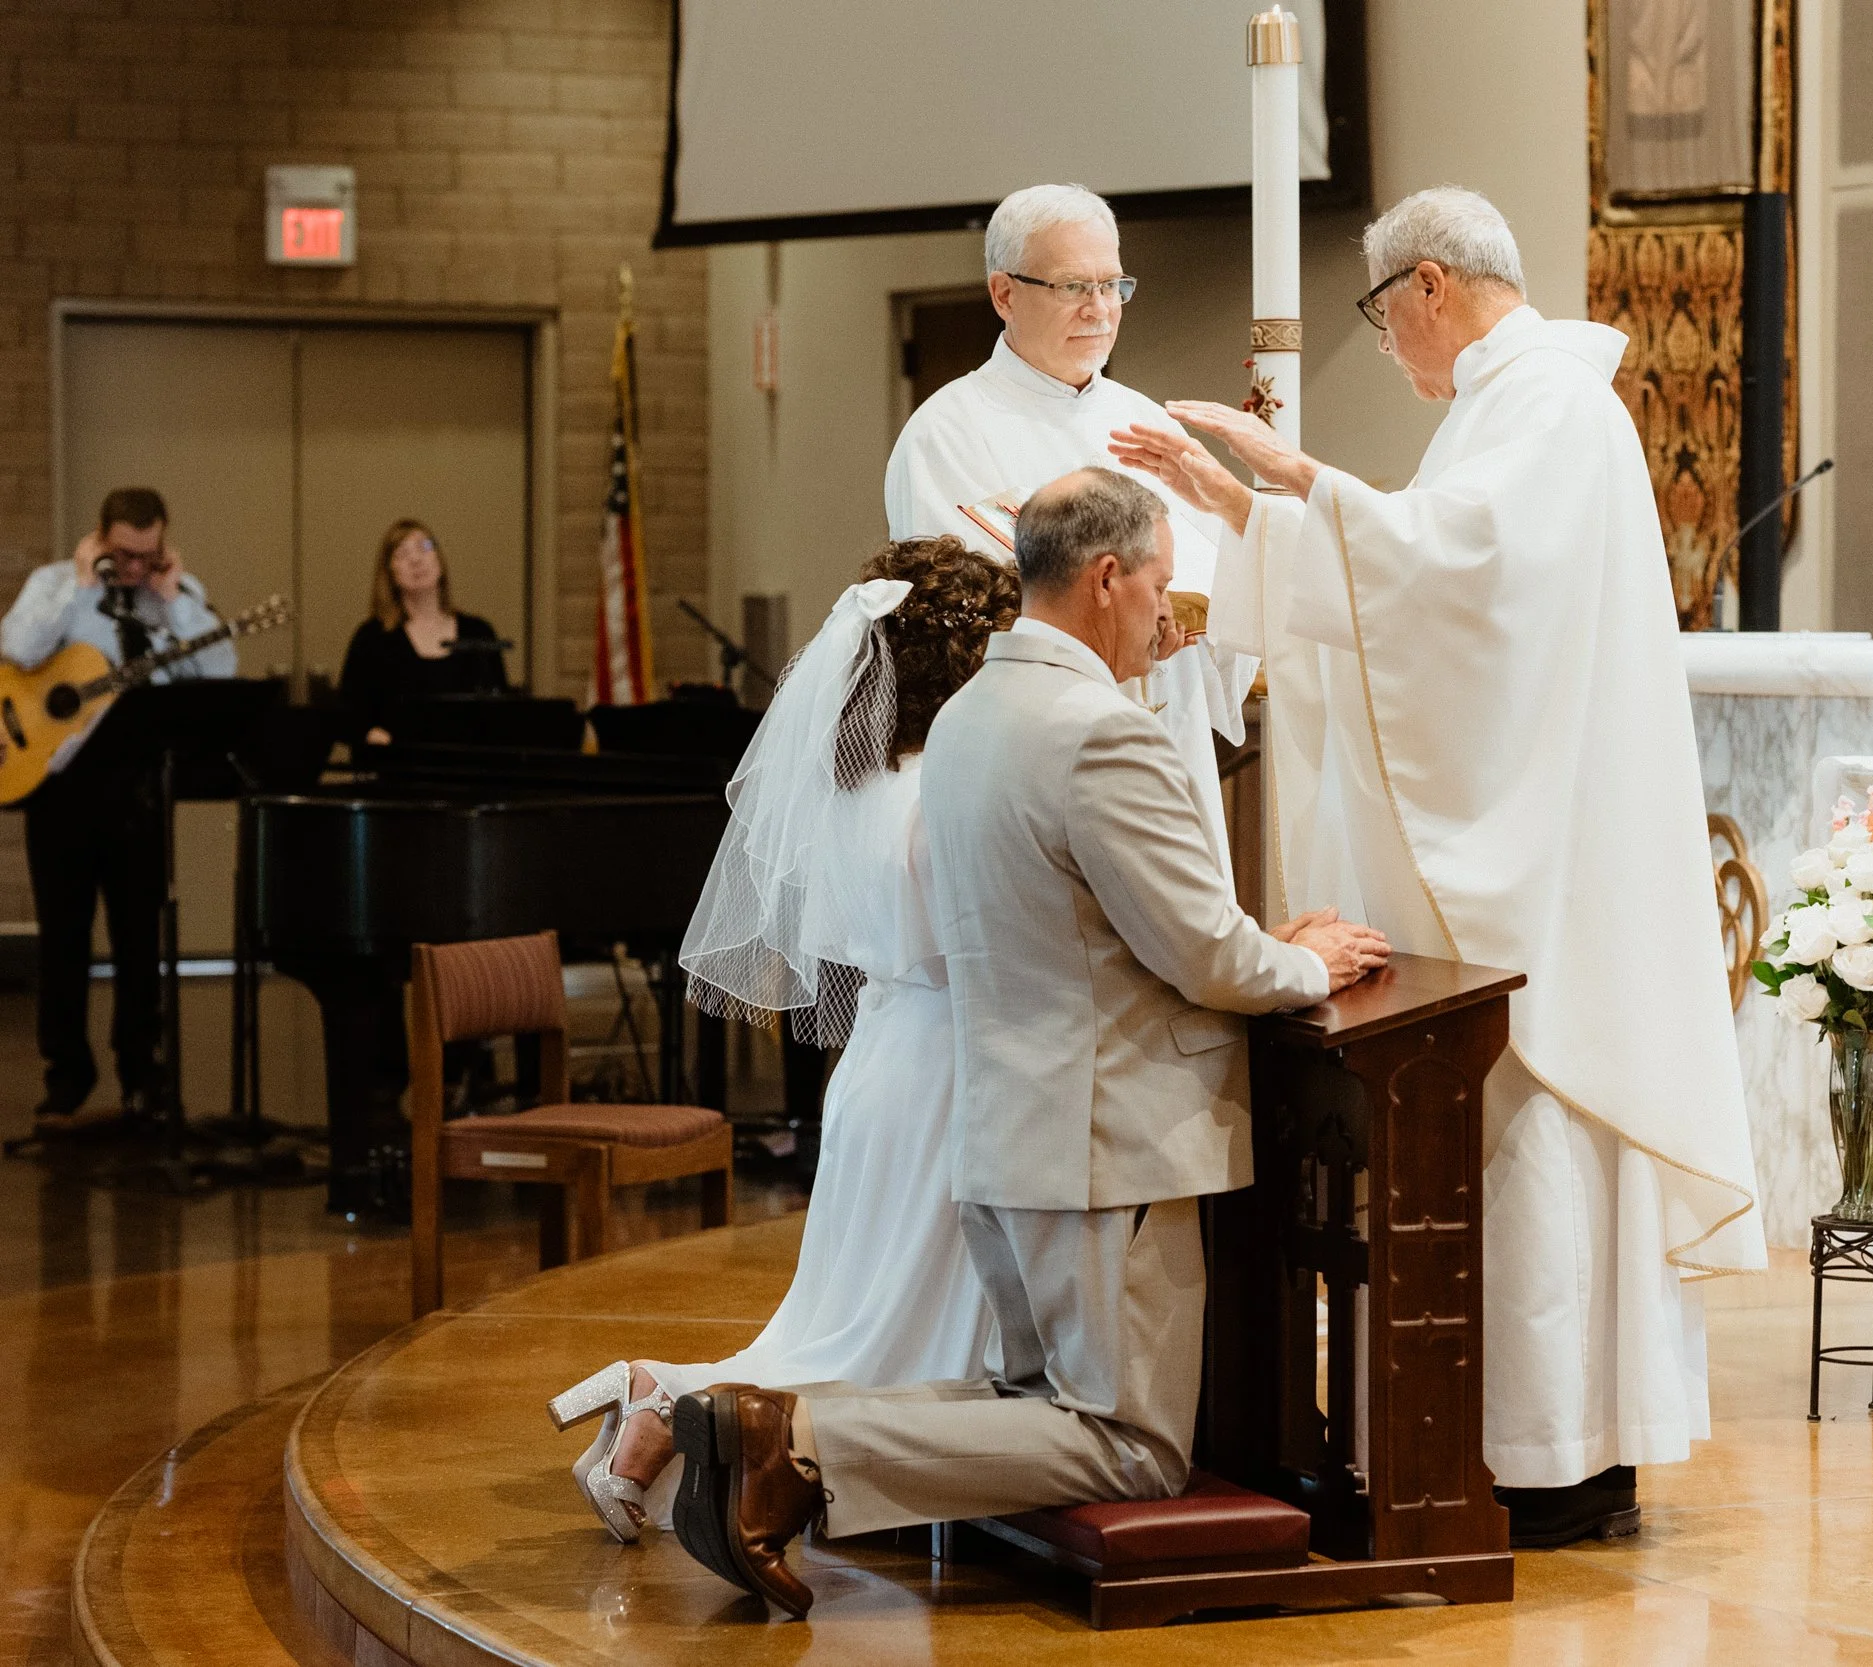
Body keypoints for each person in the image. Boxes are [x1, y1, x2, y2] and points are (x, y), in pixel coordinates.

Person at [1108, 186, 1766, 1547]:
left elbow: (1461, 579)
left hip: (1548, 873)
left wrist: (1291, 486)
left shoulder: (1549, 404)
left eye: (1383, 314)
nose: (1391, 349)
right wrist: (1253, 507)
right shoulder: (1510, 403)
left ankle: (1556, 1454)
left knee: (1538, 1139)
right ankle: (1508, 1442)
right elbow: (1420, 592)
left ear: (1425, 285)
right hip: (1526, 847)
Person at [664, 469, 1389, 1618]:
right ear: (1107, 577)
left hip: (1005, 1126)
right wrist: (1308, 960)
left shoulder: (966, 720)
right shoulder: (1097, 731)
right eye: (1161, 584)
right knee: (1130, 1444)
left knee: (1032, 1392)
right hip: (1110, 1145)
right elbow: (1202, 951)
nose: (1170, 612)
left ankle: (778, 1432)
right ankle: (789, 1436)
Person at [544, 534, 1023, 1544]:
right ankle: (676, 1407)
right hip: (945, 1064)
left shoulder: (855, 785)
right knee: (883, 1333)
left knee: (849, 1314)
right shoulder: (945, 789)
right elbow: (977, 939)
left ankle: (660, 1398)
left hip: (881, 1061)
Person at [885, 183, 1257, 881]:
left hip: (1162, 737)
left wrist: (1210, 624)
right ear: (1004, 293)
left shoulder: (1144, 421)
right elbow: (967, 614)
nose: (1100, 308)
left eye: (1113, 284)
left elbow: (1218, 569)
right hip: (1038, 766)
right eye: (1073, 286)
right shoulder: (946, 433)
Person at [1, 487, 236, 1133]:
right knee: (64, 940)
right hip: (62, 792)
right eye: (124, 554)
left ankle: (144, 1074)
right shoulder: (54, 584)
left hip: (139, 794)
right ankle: (66, 1080)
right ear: (100, 538)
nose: (135, 567)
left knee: (141, 942)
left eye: (148, 553)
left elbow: (221, 668)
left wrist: (171, 603)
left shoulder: (175, 597)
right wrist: (79, 587)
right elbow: (18, 649)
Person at [335, 519, 508, 747]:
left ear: (439, 559)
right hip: (399, 771)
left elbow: (501, 713)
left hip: (469, 773)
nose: (416, 560)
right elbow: (346, 716)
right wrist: (372, 735)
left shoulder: (478, 632)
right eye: (402, 554)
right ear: (390, 573)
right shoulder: (373, 638)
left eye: (424, 547)